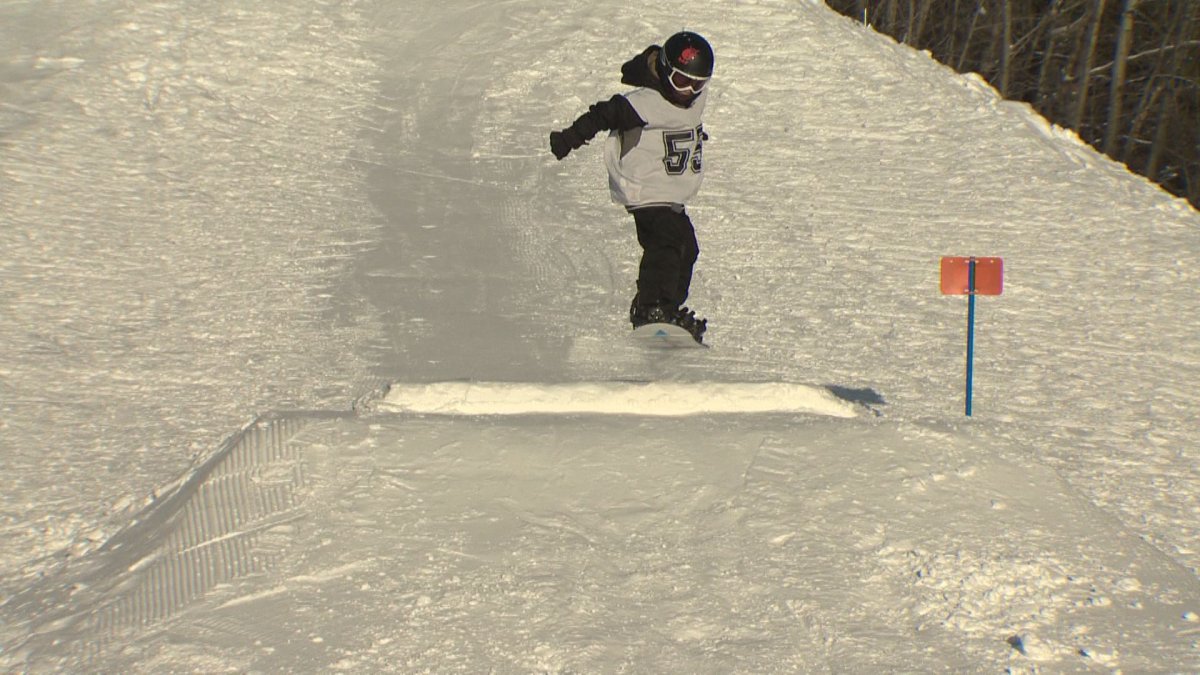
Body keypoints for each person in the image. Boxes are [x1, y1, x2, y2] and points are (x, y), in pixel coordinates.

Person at [549, 31, 714, 343]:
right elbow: (601, 114)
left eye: (698, 84)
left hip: (671, 196)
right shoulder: (641, 104)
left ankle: (665, 307)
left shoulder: (693, 100)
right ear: (665, 71)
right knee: (664, 243)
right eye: (681, 82)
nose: (689, 91)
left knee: (687, 247)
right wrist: (568, 138)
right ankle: (653, 306)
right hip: (645, 191)